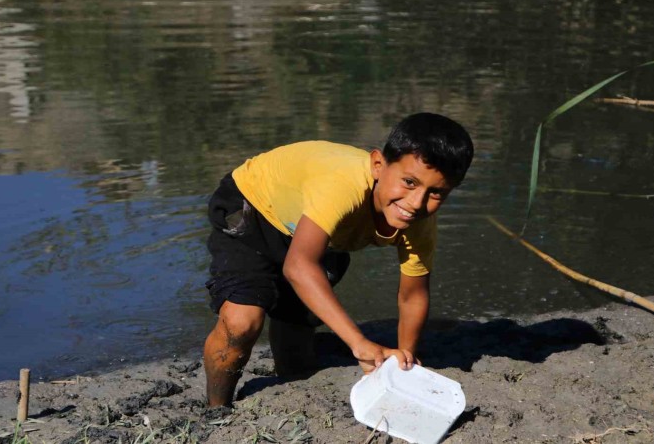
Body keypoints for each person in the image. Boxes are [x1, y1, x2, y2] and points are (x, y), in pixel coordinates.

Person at [202, 112, 474, 407]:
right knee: (241, 323)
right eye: (409, 182)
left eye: (436, 193)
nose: (416, 203)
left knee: (296, 339)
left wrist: (404, 361)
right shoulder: (343, 186)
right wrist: (359, 343)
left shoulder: (419, 223)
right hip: (255, 208)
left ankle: (290, 377)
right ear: (378, 165)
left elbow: (413, 295)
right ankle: (217, 409)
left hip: (320, 232)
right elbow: (298, 266)